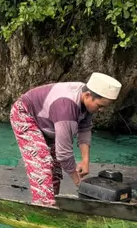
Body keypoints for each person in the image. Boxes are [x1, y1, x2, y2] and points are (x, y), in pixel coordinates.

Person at [9, 72, 122, 206]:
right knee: (42, 161)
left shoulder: (86, 96)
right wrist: (78, 182)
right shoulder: (66, 108)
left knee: (55, 167)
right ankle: (44, 205)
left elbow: (85, 127)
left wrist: (85, 160)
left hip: (48, 121)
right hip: (25, 113)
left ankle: (53, 199)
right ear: (87, 96)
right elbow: (64, 154)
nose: (101, 110)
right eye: (100, 106)